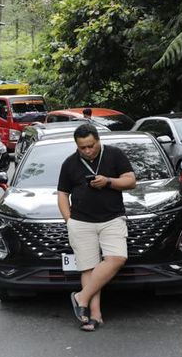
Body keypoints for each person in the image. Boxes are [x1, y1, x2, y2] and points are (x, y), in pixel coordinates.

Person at [57, 123, 136, 332]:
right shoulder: (69, 163)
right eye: (82, 147)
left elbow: (131, 181)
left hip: (112, 218)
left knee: (117, 258)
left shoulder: (114, 155)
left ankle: (80, 297)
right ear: (77, 146)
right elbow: (63, 194)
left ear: (98, 140)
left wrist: (108, 181)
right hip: (81, 221)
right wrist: (69, 220)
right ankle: (94, 316)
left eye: (91, 145)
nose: (87, 151)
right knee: (88, 267)